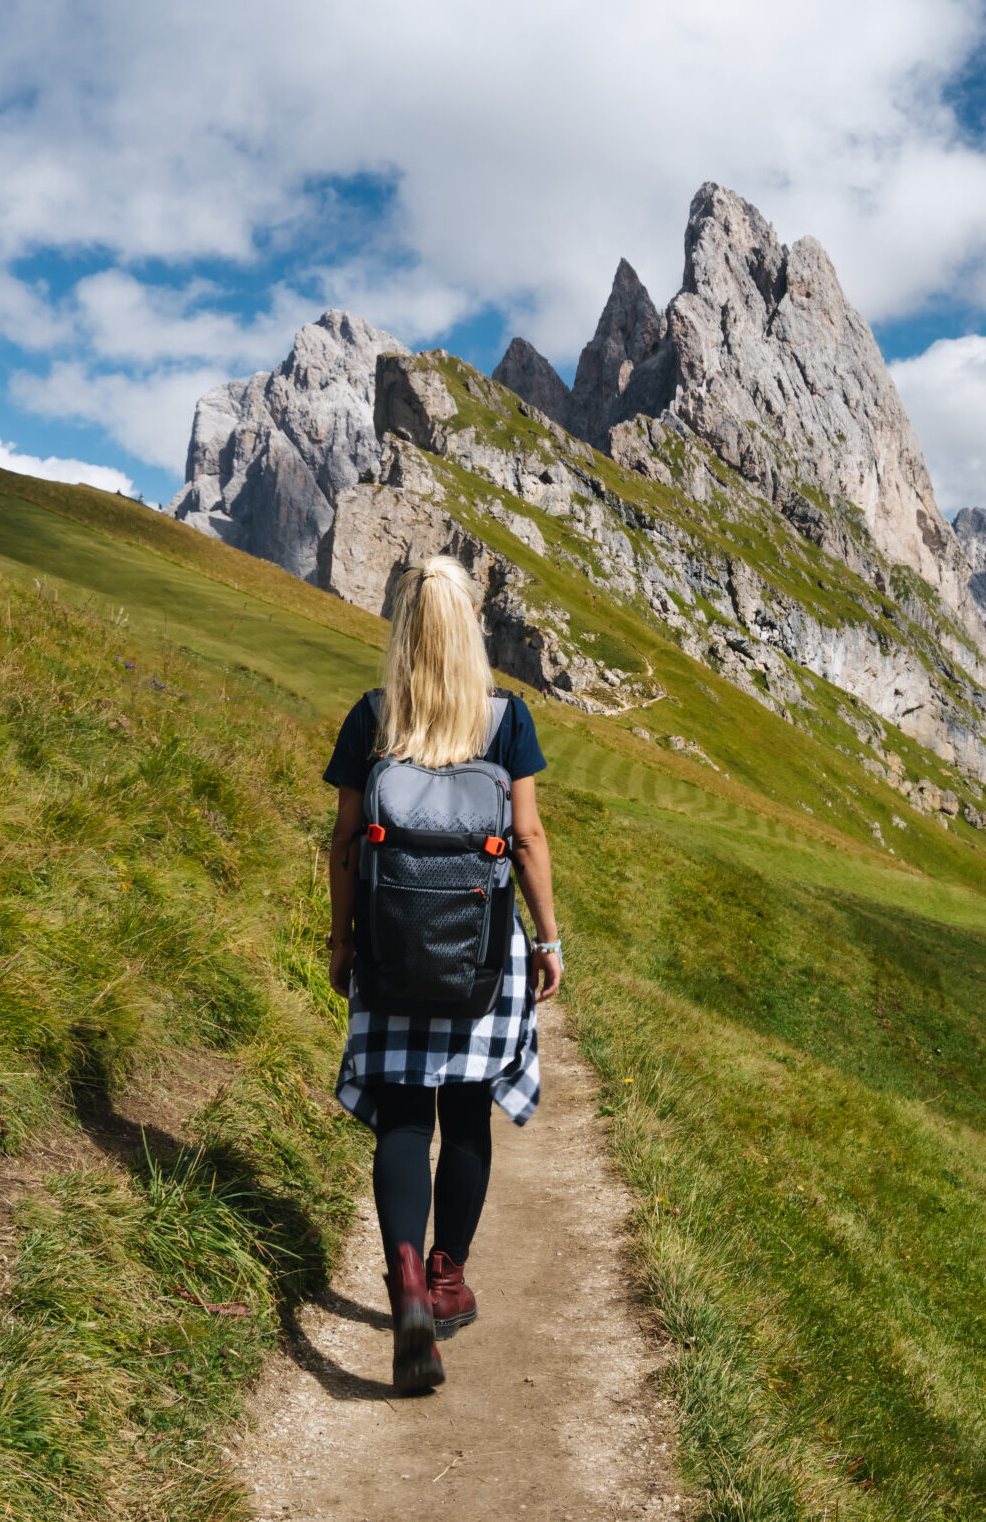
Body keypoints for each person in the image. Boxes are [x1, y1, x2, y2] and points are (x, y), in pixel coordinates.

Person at [323, 555, 564, 1392]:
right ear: (469, 629)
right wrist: (549, 938)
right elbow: (528, 840)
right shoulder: (505, 720)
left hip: (389, 951)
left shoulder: (372, 716)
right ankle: (448, 1272)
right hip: (479, 958)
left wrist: (341, 940)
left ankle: (406, 1288)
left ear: (404, 628)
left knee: (401, 1115)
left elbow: (346, 842)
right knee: (465, 1116)